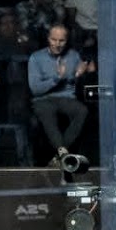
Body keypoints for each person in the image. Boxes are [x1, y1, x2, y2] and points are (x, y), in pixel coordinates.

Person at [28, 24, 94, 170]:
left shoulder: (73, 56)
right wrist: (57, 78)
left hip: (67, 98)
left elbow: (77, 80)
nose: (57, 44)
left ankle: (59, 156)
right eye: (54, 39)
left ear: (67, 40)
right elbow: (35, 89)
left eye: (61, 40)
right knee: (47, 114)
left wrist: (83, 73)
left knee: (82, 111)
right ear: (48, 38)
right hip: (43, 99)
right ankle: (63, 154)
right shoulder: (36, 58)